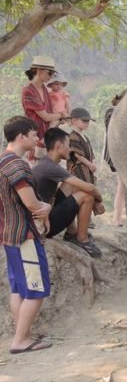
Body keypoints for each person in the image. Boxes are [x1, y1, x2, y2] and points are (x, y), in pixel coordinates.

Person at [1, 116, 53, 353]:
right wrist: (48, 209)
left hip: (9, 235)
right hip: (25, 236)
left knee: (18, 289)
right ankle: (21, 340)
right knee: (36, 289)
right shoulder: (17, 165)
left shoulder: (2, 160)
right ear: (21, 136)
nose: (37, 139)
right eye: (34, 135)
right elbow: (32, 204)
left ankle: (23, 333)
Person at [32, 128, 103, 258]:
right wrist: (99, 200)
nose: (70, 149)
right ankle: (82, 239)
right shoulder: (51, 167)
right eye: (68, 145)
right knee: (87, 195)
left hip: (44, 217)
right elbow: (90, 189)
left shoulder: (46, 163)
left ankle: (71, 232)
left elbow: (78, 185)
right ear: (58, 146)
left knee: (71, 184)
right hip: (44, 227)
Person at [21, 55, 69, 163]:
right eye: (50, 73)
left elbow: (50, 114)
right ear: (39, 71)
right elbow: (46, 117)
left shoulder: (44, 89)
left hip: (48, 140)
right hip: (35, 141)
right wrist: (62, 115)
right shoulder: (28, 91)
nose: (51, 76)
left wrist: (58, 119)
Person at [67, 107, 104, 222]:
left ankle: (87, 218)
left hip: (86, 169)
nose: (87, 123)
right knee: (83, 192)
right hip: (78, 169)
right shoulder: (73, 136)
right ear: (73, 121)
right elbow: (77, 154)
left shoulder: (84, 136)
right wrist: (89, 164)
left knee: (87, 191)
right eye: (84, 121)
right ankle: (84, 219)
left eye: (88, 121)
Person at [103, 90, 127, 226]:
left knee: (122, 187)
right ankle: (116, 219)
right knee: (122, 187)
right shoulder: (111, 113)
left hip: (121, 155)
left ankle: (117, 219)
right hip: (119, 155)